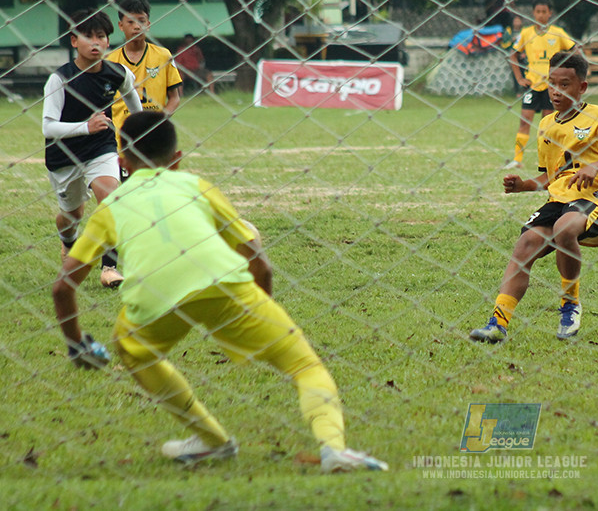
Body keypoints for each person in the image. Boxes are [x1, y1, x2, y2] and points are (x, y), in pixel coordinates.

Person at [50, 110, 388, 473]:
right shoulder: (197, 186)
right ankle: (333, 449)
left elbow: (62, 287)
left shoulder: (111, 206)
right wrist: (261, 309)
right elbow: (259, 260)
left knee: (132, 350)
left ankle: (212, 440)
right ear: (178, 159)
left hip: (153, 299)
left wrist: (76, 343)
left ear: (122, 163)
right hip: (224, 284)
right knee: (304, 365)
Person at [471, 52, 598, 343]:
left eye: (565, 84)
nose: (556, 91)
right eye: (551, 83)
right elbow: (552, 177)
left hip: (595, 195)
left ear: (582, 87)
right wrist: (522, 185)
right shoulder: (547, 125)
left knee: (564, 229)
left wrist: (594, 166)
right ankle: (498, 323)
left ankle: (569, 304)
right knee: (524, 246)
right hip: (558, 200)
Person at [43, 9, 143, 288]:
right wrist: (85, 126)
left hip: (102, 147)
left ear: (109, 42)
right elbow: (48, 127)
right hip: (63, 155)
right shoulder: (59, 79)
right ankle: (68, 242)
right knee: (71, 215)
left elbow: (135, 109)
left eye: (101, 36)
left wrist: (139, 137)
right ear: (74, 41)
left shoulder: (118, 73)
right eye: (88, 36)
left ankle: (109, 268)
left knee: (111, 199)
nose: (95, 42)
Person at [504, 0, 577, 170]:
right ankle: (517, 159)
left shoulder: (558, 32)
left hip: (552, 86)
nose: (541, 15)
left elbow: (575, 50)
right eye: (538, 11)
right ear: (533, 13)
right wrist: (519, 79)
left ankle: (547, 160)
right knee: (525, 121)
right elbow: (512, 55)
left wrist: (567, 73)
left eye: (544, 11)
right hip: (532, 85)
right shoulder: (526, 33)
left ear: (550, 13)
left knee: (548, 124)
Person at [107, 0, 183, 136]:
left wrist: (160, 121)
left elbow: (174, 97)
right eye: (130, 22)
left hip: (153, 135)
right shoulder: (109, 60)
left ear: (148, 24)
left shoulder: (163, 56)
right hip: (119, 137)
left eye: (141, 21)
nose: (136, 26)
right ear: (121, 25)